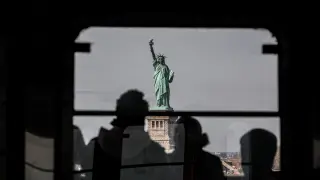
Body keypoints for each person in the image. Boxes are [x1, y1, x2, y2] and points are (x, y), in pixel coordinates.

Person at [83, 89, 173, 180]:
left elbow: (85, 170)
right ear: (143, 119)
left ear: (117, 114)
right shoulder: (155, 151)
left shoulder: (95, 146)